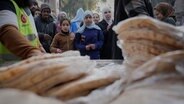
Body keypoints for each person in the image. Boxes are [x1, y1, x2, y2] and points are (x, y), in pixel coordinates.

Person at [0, 0, 44, 65]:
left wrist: (40, 47)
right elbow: (7, 31)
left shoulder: (25, 10)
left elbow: (33, 35)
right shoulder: (4, 4)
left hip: (28, 67)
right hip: (8, 70)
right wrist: (32, 51)